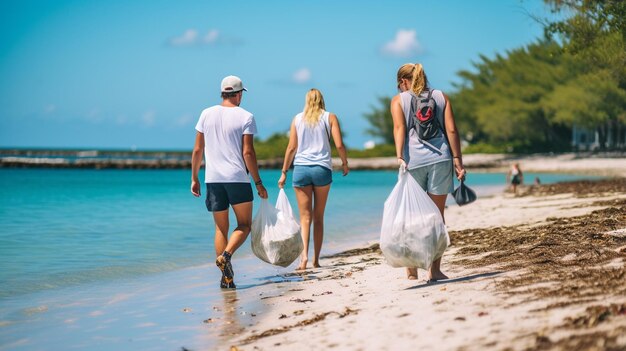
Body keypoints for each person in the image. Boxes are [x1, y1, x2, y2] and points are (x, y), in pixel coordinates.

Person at [191, 75, 268, 289]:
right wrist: (258, 182)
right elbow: (248, 152)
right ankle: (227, 255)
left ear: (223, 93)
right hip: (237, 179)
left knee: (220, 229)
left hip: (213, 180)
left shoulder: (206, 114)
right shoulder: (246, 116)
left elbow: (198, 149)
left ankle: (227, 278)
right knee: (244, 225)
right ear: (239, 93)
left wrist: (194, 178)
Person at [391, 63, 466, 281]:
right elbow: (451, 129)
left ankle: (412, 268)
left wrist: (399, 156)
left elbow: (399, 129)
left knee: (411, 215)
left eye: (399, 85)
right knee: (437, 217)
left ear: (404, 81)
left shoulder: (398, 101)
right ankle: (434, 270)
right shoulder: (441, 96)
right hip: (441, 159)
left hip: (413, 162)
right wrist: (457, 161)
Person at [278, 89, 349, 271]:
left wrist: (284, 171)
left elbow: (291, 147)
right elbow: (339, 144)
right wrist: (344, 163)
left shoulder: (297, 119)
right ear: (322, 100)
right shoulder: (330, 117)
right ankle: (316, 260)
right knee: (318, 217)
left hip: (301, 169)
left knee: (304, 218)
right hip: (322, 170)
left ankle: (303, 259)